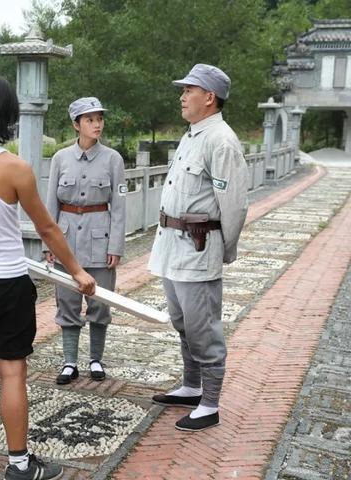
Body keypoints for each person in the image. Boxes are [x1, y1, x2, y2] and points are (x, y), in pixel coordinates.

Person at [0, 74, 96, 480]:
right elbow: (47, 228)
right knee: (12, 371)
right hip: (7, 284)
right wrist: (77, 272)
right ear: (5, 116)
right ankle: (19, 464)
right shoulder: (14, 168)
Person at [148, 64, 249, 432]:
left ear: (209, 97)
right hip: (174, 248)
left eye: (188, 90)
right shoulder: (194, 135)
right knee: (182, 322)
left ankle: (210, 403)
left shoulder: (220, 140)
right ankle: (191, 386)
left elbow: (234, 204)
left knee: (203, 328)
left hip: (198, 247)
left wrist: (222, 250)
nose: (182, 96)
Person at [44, 97, 126, 385]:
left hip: (99, 240)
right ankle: (69, 362)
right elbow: (50, 205)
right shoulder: (60, 159)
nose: (97, 124)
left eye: (99, 119)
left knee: (100, 304)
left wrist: (115, 245)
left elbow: (118, 206)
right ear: (76, 125)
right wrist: (49, 245)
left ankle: (95, 360)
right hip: (65, 240)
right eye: (90, 120)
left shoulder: (113, 159)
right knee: (67, 301)